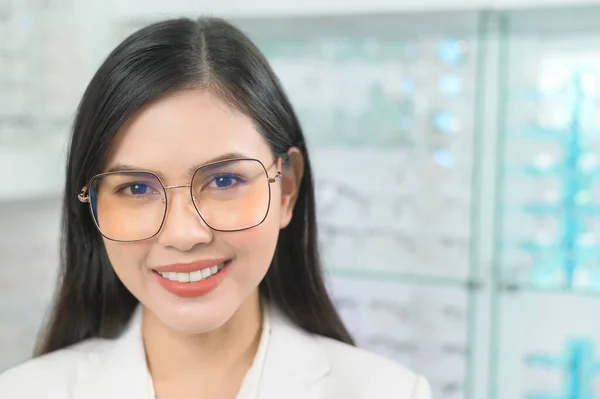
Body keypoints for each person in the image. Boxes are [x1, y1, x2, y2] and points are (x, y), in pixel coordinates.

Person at [0, 17, 431, 399]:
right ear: (92, 208)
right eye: (135, 188)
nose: (184, 234)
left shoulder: (391, 392)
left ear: (287, 190)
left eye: (225, 181)